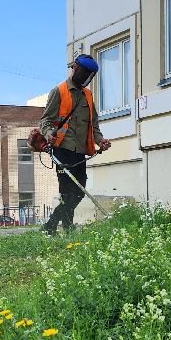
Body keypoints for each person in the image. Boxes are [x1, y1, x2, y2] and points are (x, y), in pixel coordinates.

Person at [39, 54, 111, 234]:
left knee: (79, 191)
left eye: (91, 75)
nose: (87, 78)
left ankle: (51, 224)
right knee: (67, 191)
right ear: (75, 69)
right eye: (85, 73)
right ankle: (66, 227)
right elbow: (46, 121)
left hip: (80, 151)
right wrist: (49, 135)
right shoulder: (59, 91)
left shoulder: (87, 95)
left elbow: (93, 124)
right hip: (62, 149)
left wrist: (100, 140)